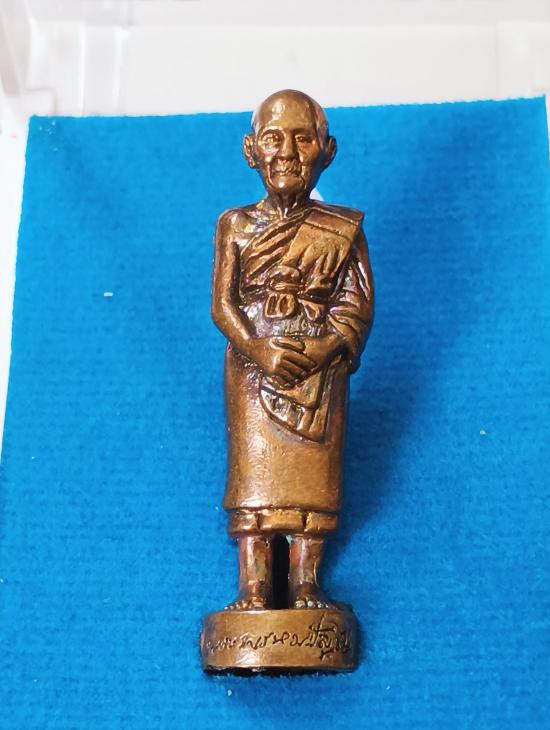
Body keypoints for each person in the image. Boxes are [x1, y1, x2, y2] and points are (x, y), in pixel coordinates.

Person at [211, 89, 374, 610]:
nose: (286, 152)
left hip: (319, 372)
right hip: (253, 367)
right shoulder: (235, 225)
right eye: (273, 138)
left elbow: (356, 304)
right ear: (250, 150)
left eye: (303, 139)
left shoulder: (342, 230)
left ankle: (307, 585)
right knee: (253, 481)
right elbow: (223, 305)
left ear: (327, 150)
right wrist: (258, 350)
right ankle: (253, 588)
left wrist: (327, 347)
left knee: (313, 481)